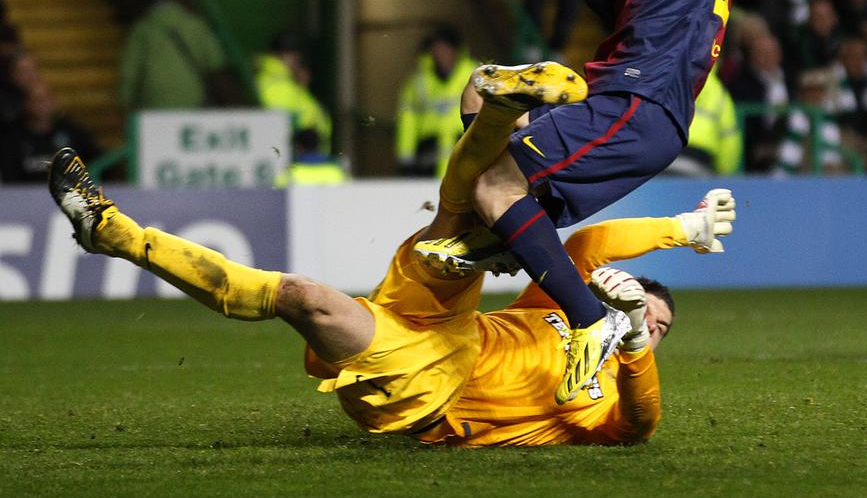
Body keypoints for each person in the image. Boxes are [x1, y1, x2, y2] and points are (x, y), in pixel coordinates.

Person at [415, 0, 769, 402]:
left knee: (494, 179)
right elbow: (629, 13)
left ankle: (590, 320)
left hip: (635, 101)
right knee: (490, 148)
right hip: (627, 101)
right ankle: (489, 243)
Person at [47, 142, 737, 447]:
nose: (652, 321)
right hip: (442, 319)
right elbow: (588, 251)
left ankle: (114, 233)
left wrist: (637, 345)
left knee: (304, 297)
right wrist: (683, 229)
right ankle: (489, 118)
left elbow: (641, 428)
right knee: (477, 209)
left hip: (433, 385)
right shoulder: (565, 316)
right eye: (650, 308)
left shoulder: (609, 400)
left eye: (662, 327)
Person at [117, 0, 239, 112]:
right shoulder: (195, 25)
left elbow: (130, 68)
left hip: (153, 96)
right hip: (192, 93)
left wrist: (124, 98)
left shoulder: (141, 28)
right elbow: (216, 62)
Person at [394, 24, 477, 177]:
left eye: (445, 49)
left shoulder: (474, 74)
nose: (441, 54)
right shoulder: (419, 82)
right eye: (437, 50)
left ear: (455, 50)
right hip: (428, 156)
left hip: (466, 149)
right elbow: (408, 121)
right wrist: (405, 159)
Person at [256, 33, 333, 155]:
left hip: (305, 159)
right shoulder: (279, 85)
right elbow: (278, 129)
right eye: (295, 56)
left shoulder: (288, 84)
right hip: (295, 161)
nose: (298, 61)